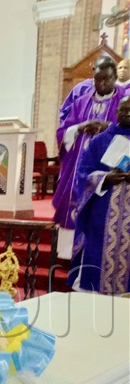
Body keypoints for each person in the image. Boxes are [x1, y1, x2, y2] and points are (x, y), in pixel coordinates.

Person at [53, 58, 123, 253]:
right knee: (73, 198)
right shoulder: (81, 102)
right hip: (80, 167)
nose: (102, 84)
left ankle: (100, 252)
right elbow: (63, 131)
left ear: (115, 78)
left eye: (107, 79)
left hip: (109, 168)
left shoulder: (124, 102)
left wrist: (108, 127)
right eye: (97, 79)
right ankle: (69, 253)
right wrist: (80, 127)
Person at [68, 95, 130, 294]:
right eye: (123, 109)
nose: (127, 113)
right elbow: (83, 173)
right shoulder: (100, 141)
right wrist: (105, 177)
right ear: (116, 111)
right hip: (102, 216)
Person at [59, 55, 116, 124]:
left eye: (107, 77)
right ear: (94, 70)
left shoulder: (119, 93)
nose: (102, 83)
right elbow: (65, 115)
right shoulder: (81, 89)